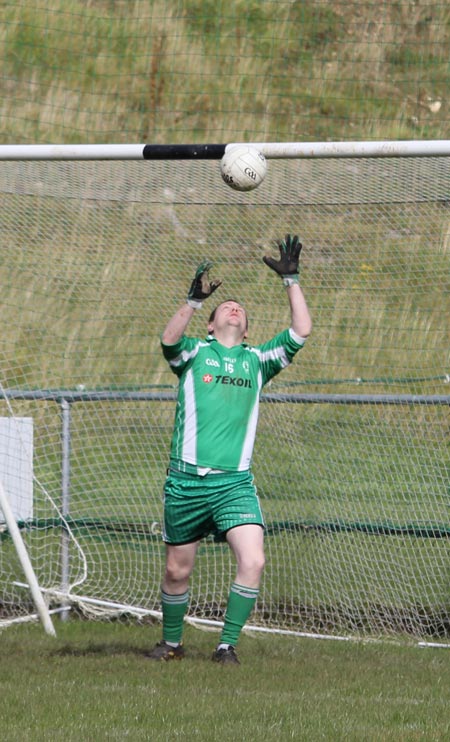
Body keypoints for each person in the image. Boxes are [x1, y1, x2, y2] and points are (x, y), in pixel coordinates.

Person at [147, 234, 312, 665]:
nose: (234, 308)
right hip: (185, 483)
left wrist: (290, 279)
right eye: (226, 306)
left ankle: (226, 645)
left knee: (253, 560)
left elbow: (300, 331)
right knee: (176, 572)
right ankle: (171, 644)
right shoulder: (194, 353)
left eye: (240, 309)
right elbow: (168, 340)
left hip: (233, 485)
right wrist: (193, 301)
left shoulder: (258, 361)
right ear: (211, 323)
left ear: (247, 328)